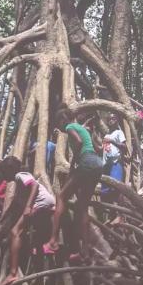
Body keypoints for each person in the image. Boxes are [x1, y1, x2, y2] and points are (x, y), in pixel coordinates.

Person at [43, 107, 103, 261]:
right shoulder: (83, 129)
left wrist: (74, 161)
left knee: (61, 197)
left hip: (86, 162)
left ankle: (53, 241)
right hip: (97, 164)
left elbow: (78, 142)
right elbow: (96, 147)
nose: (59, 125)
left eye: (59, 121)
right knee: (82, 208)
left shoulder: (70, 126)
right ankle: (85, 252)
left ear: (64, 118)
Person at [0, 156, 55, 285]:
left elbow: (34, 185)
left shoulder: (19, 175)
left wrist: (28, 206)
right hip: (46, 204)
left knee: (15, 231)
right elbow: (11, 207)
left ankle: (13, 273)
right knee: (34, 237)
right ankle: (49, 247)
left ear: (9, 170)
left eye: (3, 172)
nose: (2, 175)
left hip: (40, 203)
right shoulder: (19, 186)